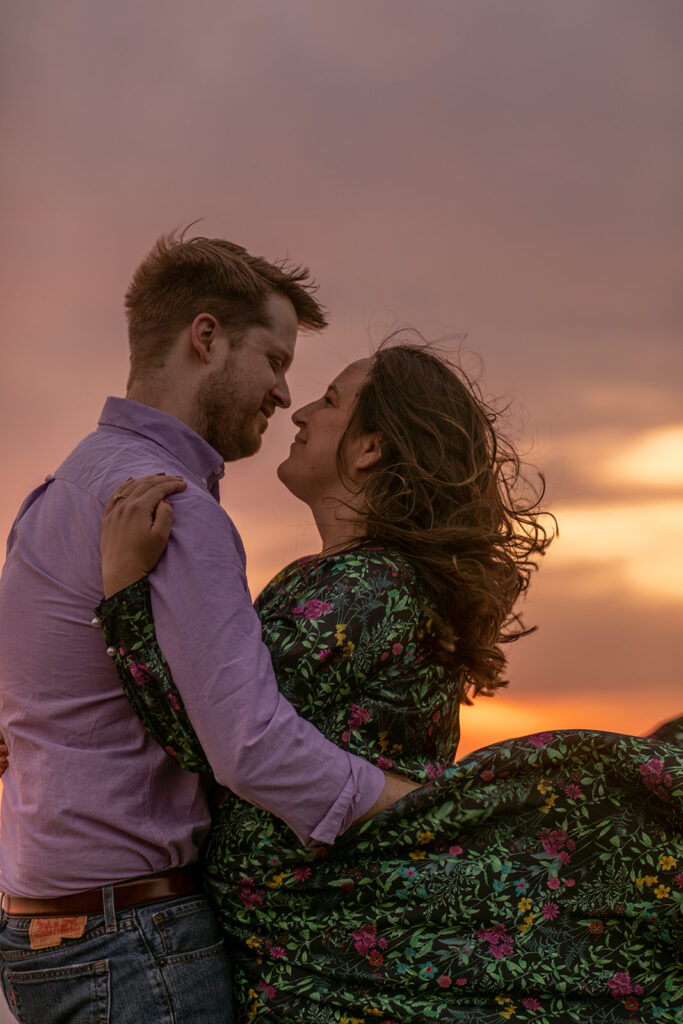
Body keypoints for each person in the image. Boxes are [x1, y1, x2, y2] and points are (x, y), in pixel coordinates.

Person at [94, 344, 682, 1023]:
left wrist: (124, 594)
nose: (302, 411)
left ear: (370, 447)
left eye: (332, 401)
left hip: (324, 950)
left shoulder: (368, 590)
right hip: (311, 947)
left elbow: (212, 735)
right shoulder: (345, 578)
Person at [0, 232, 413, 1024]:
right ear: (206, 337)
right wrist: (415, 804)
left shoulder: (61, 488)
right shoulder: (172, 507)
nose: (284, 395)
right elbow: (249, 746)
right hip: (134, 940)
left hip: (46, 930)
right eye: (276, 360)